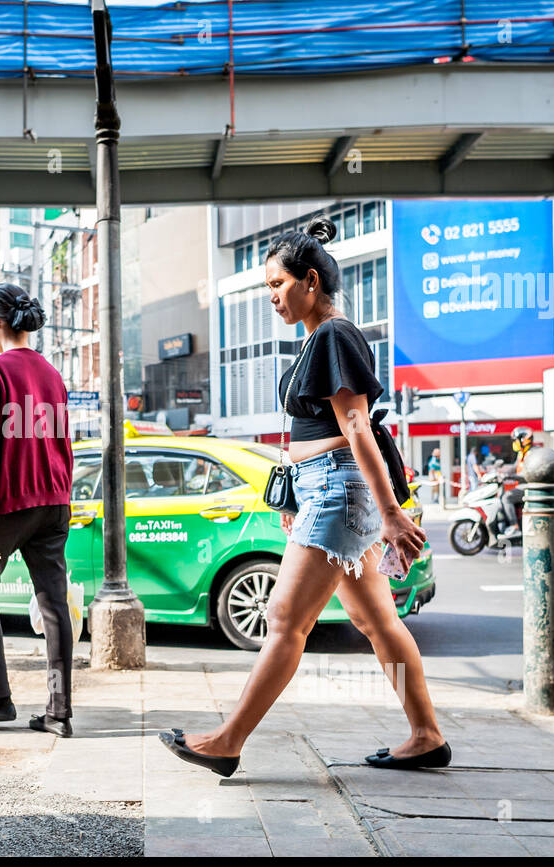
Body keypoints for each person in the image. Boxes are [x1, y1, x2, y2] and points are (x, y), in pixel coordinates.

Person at [159, 216, 449, 775]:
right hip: (329, 490)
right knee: (377, 623)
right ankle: (426, 735)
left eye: (276, 284)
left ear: (310, 281)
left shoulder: (334, 335)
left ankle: (227, 741)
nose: (271, 297)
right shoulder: (321, 338)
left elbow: (358, 426)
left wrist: (389, 512)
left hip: (339, 491)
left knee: (285, 619)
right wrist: (297, 498)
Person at [0, 283, 76, 738]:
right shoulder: (51, 372)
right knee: (54, 604)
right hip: (54, 502)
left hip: (10, 507)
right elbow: (64, 444)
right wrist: (63, 496)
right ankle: (58, 713)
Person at [499, 426, 533, 536]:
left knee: (507, 497)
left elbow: (526, 474)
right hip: (521, 485)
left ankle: (514, 526)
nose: (514, 443)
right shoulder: (521, 453)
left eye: (515, 440)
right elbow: (514, 467)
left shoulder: (531, 454)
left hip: (529, 486)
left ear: (523, 440)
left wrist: (510, 477)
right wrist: (503, 473)